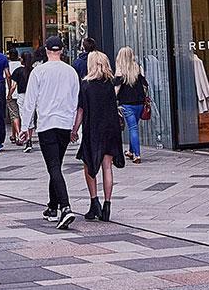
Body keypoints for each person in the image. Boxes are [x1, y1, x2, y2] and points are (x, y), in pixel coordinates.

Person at [18, 35, 81, 229]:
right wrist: (74, 127)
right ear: (62, 50)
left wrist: (25, 127)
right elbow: (75, 101)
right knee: (57, 165)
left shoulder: (39, 72)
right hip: (64, 124)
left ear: (46, 50)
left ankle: (65, 207)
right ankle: (52, 207)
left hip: (46, 124)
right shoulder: (71, 72)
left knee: (53, 167)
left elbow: (30, 101)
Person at [71, 51, 124, 221]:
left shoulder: (86, 85)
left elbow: (81, 110)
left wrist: (74, 130)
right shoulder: (109, 84)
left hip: (92, 128)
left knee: (89, 165)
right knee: (107, 166)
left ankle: (94, 202)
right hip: (110, 128)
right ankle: (107, 205)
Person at [113, 47, 150, 164]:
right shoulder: (138, 68)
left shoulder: (120, 71)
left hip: (127, 104)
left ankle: (137, 154)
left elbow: (116, 89)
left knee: (132, 128)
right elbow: (145, 86)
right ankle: (130, 151)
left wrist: (112, 101)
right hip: (139, 103)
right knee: (132, 127)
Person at [9, 47, 35, 151]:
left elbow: (13, 86)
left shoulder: (18, 71)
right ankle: (29, 139)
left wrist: (9, 95)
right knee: (31, 118)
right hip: (32, 96)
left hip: (22, 96)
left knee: (24, 116)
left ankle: (25, 138)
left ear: (22, 60)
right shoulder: (33, 71)